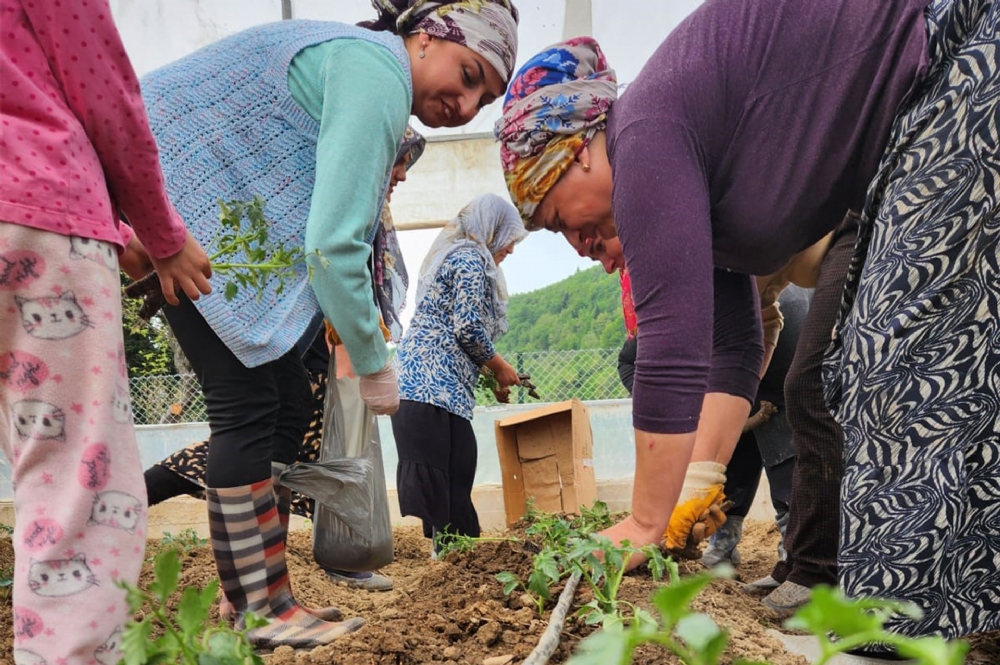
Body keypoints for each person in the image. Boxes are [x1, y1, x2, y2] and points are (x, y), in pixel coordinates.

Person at [495, 0, 1000, 646]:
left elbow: (672, 345)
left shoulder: (640, 136)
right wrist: (695, 485)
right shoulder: (679, 166)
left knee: (892, 360)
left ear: (576, 154)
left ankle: (921, 622)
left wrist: (645, 522)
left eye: (559, 219)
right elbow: (734, 346)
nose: (575, 243)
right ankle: (951, 610)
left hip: (949, 63)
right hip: (926, 103)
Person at [137, 0, 519, 648]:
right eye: (470, 72)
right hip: (175, 197)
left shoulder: (371, 71)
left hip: (191, 204)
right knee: (250, 401)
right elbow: (332, 248)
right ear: (426, 37)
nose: (469, 101)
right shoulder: (379, 73)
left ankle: (259, 597)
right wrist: (375, 364)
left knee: (284, 396)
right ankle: (262, 609)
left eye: (485, 96)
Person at [0, 2, 213, 663]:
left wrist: (118, 233)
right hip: (35, 211)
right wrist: (159, 231)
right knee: (77, 479)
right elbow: (100, 87)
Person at [142, 128, 427, 598]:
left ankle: (277, 588)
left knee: (282, 426)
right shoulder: (326, 189)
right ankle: (259, 595)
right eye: (397, 161)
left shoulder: (359, 201)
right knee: (254, 428)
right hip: (278, 324)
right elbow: (323, 258)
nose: (399, 174)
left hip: (304, 333)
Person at [391, 193, 526, 554]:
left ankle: (451, 557)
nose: (510, 249)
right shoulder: (469, 259)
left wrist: (491, 372)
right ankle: (452, 559)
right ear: (491, 229)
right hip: (428, 387)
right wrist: (499, 366)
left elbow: (456, 334)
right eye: (509, 238)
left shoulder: (464, 257)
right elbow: (466, 328)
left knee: (455, 476)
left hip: (433, 388)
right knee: (450, 481)